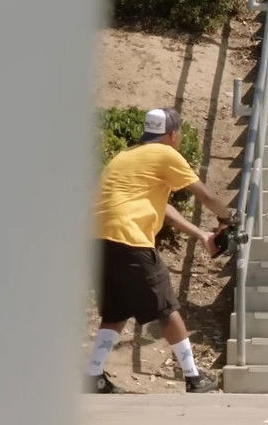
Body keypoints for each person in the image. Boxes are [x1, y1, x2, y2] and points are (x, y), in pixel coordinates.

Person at [84, 107, 235, 394]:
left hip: (99, 239)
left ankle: (94, 376)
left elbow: (162, 207)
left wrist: (202, 234)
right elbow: (206, 196)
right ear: (173, 135)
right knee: (166, 307)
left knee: (116, 310)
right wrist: (228, 218)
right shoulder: (166, 154)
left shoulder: (127, 156)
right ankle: (193, 377)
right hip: (129, 237)